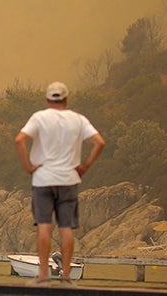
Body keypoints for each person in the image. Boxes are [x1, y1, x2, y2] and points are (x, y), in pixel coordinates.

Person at [15, 81, 105, 285]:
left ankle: (43, 274)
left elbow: (19, 140)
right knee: (66, 228)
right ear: (66, 99)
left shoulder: (39, 118)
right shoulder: (79, 120)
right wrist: (85, 166)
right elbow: (99, 142)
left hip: (43, 180)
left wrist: (28, 166)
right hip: (69, 180)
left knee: (44, 227)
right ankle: (65, 276)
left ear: (47, 99)